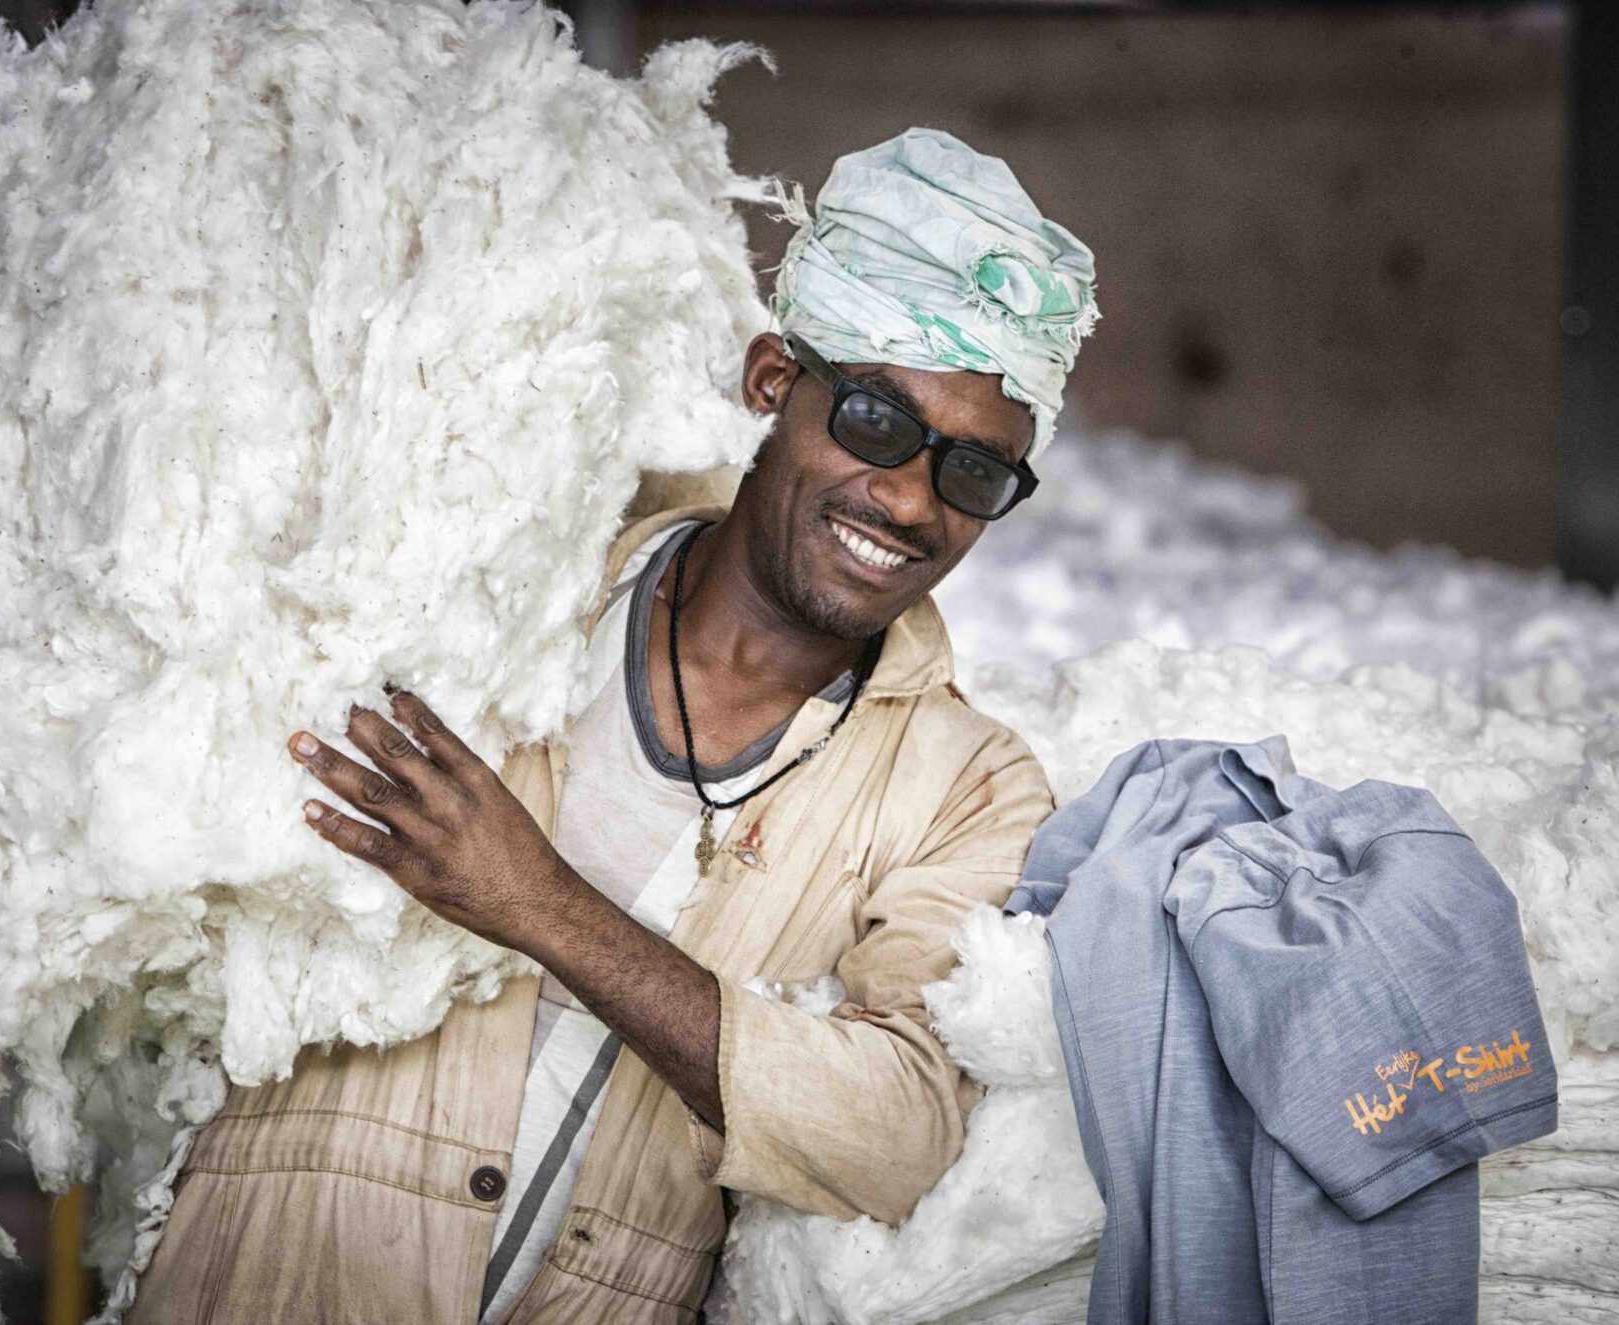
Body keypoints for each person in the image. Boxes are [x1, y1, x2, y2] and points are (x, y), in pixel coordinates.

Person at [127, 126, 1099, 1325]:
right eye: (876, 420)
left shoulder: (970, 785)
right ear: (770, 382)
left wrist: (538, 902)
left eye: (975, 474)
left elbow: (896, 1132)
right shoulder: (509, 566)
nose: (908, 499)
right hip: (268, 1265)